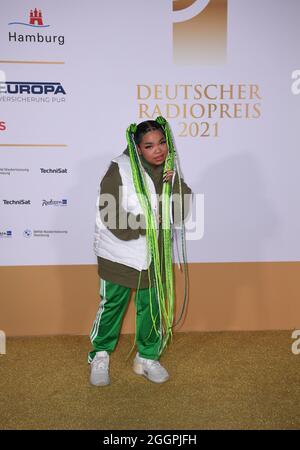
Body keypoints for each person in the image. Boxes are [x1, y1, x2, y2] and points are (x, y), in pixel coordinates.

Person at [88, 116, 192, 386]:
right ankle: (99, 354)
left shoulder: (168, 171)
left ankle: (146, 357)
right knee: (112, 307)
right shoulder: (119, 168)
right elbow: (110, 214)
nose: (158, 150)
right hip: (119, 254)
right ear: (137, 148)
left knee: (152, 308)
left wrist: (176, 185)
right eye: (149, 146)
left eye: (161, 143)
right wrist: (147, 223)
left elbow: (179, 214)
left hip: (154, 257)